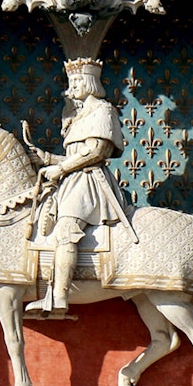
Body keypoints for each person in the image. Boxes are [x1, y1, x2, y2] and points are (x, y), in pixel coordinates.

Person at [24, 57, 133, 315]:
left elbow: (96, 151)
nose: (71, 86)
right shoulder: (77, 115)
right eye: (70, 81)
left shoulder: (103, 111)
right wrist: (47, 158)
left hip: (89, 182)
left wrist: (60, 168)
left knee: (65, 229)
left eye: (76, 81)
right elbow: (75, 154)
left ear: (89, 82)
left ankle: (59, 296)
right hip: (71, 180)